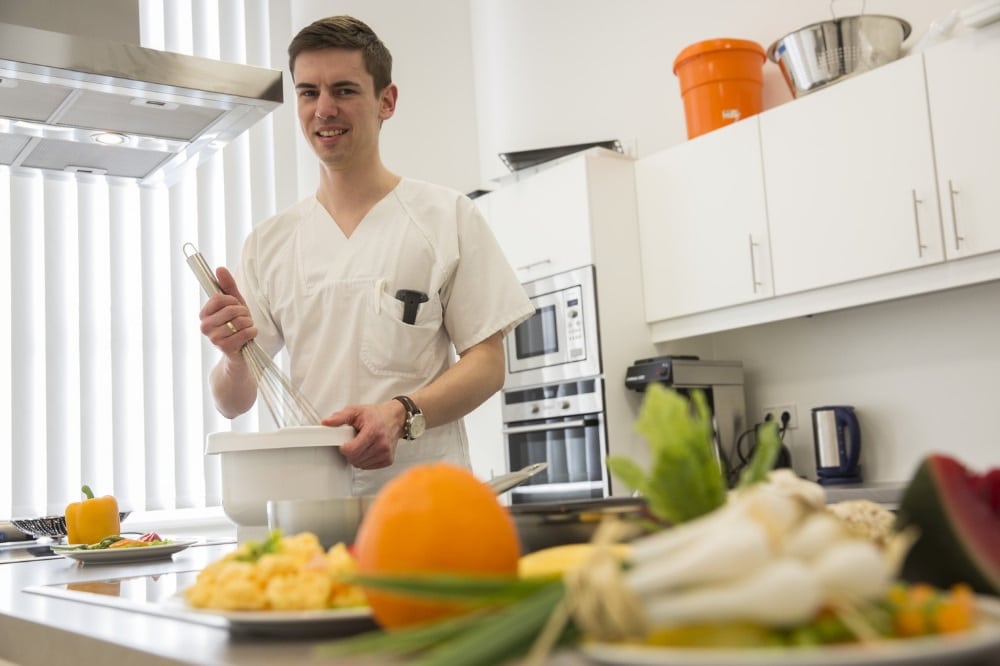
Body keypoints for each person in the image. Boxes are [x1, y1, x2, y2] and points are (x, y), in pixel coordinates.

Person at [198, 15, 533, 495]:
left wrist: (401, 413)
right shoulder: (269, 244)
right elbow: (232, 403)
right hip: (314, 508)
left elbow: (487, 363)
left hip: (425, 505)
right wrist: (233, 358)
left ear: (386, 101)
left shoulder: (446, 217)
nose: (324, 109)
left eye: (345, 90)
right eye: (309, 92)